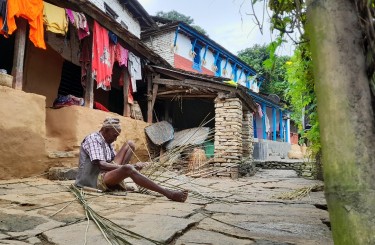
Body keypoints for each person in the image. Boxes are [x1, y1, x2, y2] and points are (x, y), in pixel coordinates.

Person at [75, 117, 188, 202]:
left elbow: (113, 162)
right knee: (128, 169)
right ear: (105, 130)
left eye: (117, 136)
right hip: (92, 180)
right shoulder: (93, 139)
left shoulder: (107, 141)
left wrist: (131, 166)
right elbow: (102, 165)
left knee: (130, 144)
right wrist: (131, 167)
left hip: (104, 174)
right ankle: (168, 193)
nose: (115, 139)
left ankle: (119, 182)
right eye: (114, 135)